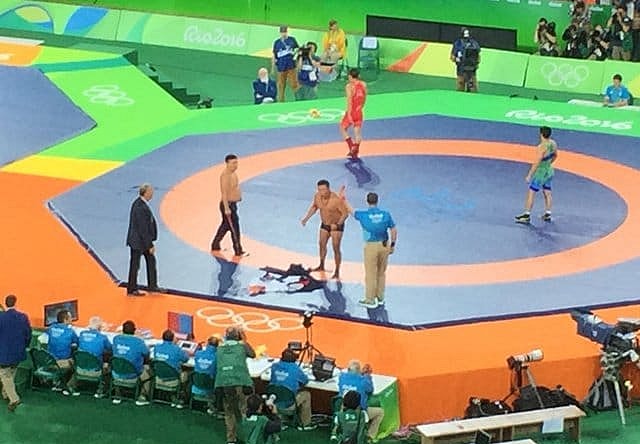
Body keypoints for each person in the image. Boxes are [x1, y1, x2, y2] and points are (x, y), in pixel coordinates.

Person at [344, 192, 397, 308]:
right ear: (377, 201)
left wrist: (343, 199)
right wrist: (392, 245)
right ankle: (380, 297)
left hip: (371, 246)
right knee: (381, 273)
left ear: (367, 201)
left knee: (371, 274)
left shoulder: (364, 215)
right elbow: (393, 230)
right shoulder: (386, 214)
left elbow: (351, 211)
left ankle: (370, 300)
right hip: (384, 245)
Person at [300, 179, 349, 279]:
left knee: (336, 248)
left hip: (336, 226)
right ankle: (321, 265)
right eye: (319, 190)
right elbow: (314, 207)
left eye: (324, 190)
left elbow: (345, 214)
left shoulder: (336, 200)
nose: (322, 192)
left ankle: (337, 271)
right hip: (325, 224)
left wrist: (338, 224)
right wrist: (306, 218)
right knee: (321, 244)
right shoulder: (317, 196)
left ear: (328, 189)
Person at [215, 326, 256, 444]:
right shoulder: (242, 346)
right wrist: (244, 339)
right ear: (238, 337)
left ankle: (231, 439)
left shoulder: (219, 349)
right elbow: (252, 354)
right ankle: (249, 437)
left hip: (223, 384)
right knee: (244, 410)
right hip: (240, 382)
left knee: (229, 412)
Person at [515, 126, 558, 224]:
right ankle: (548, 213)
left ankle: (527, 215)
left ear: (541, 134)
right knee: (547, 192)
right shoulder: (553, 143)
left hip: (540, 173)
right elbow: (556, 155)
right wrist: (548, 164)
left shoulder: (541, 147)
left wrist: (529, 175)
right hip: (549, 171)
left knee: (531, 192)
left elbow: (537, 162)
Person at [337, 360, 384, 442]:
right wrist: (367, 376)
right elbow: (370, 390)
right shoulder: (363, 381)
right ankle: (370, 436)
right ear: (359, 371)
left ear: (348, 369)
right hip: (359, 412)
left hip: (343, 410)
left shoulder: (342, 377)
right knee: (380, 412)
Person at [269, 348, 315, 430]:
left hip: (274, 403)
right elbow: (305, 381)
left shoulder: (274, 366)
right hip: (289, 405)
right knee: (306, 394)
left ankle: (281, 420)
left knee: (280, 391)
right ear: (294, 359)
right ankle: (305, 424)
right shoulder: (295, 368)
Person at [126, 183, 159, 296]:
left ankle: (152, 286)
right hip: (139, 242)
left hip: (140, 241)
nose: (152, 194)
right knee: (135, 265)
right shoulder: (141, 207)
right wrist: (150, 245)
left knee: (150, 261)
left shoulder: (139, 203)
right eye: (151, 192)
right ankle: (132, 289)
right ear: (146, 193)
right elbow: (143, 228)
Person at [211, 154, 247, 257]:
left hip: (232, 204)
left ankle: (215, 244)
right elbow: (224, 193)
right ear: (227, 163)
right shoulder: (225, 176)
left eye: (236, 163)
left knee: (225, 226)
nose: (235, 165)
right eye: (233, 163)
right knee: (234, 228)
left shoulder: (233, 173)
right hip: (228, 205)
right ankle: (238, 250)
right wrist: (227, 208)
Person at [0, 295, 32, 412]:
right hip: (18, 352)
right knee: (12, 371)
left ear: (5, 304)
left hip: (4, 353)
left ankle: (14, 399)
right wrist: (25, 346)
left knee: (5, 375)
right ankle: (5, 393)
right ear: (15, 303)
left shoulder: (1, 317)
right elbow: (28, 334)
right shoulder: (23, 317)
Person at [112, 320, 151, 406]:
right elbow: (146, 353)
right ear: (134, 330)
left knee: (115, 366)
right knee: (149, 373)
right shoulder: (138, 342)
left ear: (122, 330)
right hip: (133, 375)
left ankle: (117, 395)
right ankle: (142, 397)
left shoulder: (116, 339)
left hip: (116, 374)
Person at [153, 329, 190, 408]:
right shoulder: (176, 349)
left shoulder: (156, 348)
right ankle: (181, 398)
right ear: (173, 339)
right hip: (173, 378)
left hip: (159, 376)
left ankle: (172, 396)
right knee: (188, 374)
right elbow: (186, 359)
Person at [78, 316, 112, 398]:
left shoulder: (82, 334)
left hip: (80, 368)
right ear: (100, 327)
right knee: (108, 364)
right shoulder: (103, 337)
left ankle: (72, 384)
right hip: (95, 370)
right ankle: (102, 389)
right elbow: (110, 349)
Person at [47, 309, 79, 396]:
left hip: (49, 361)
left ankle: (56, 381)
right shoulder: (70, 331)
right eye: (70, 317)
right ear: (65, 320)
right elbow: (77, 342)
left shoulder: (51, 328)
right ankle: (67, 385)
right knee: (77, 362)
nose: (72, 319)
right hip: (62, 362)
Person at [340, 68, 367, 160]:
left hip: (352, 111)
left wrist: (349, 114)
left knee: (342, 128)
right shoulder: (363, 84)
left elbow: (349, 101)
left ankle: (351, 146)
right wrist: (361, 107)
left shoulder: (349, 86)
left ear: (350, 76)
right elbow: (365, 97)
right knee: (357, 132)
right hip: (359, 111)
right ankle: (356, 150)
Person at [272, 25, 299, 103]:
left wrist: (295, 57)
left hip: (291, 66)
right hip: (281, 66)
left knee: (294, 84)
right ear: (280, 33)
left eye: (285, 32)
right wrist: (273, 67)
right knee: (281, 85)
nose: (284, 34)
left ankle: (298, 98)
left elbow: (297, 49)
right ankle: (281, 101)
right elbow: (274, 55)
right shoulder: (277, 42)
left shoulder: (292, 40)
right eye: (282, 32)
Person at [193, 335, 219, 414]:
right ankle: (215, 406)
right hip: (210, 385)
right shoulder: (218, 357)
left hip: (197, 383)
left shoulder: (198, 353)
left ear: (207, 344)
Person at [450, 28, 481, 92]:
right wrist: (457, 59)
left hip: (471, 70)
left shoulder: (473, 43)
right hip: (461, 69)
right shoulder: (457, 43)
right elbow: (452, 57)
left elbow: (478, 55)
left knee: (472, 88)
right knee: (460, 87)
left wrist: (477, 63)